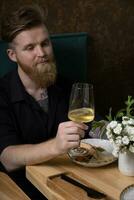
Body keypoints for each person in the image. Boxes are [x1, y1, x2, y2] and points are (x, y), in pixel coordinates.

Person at [0, 4, 88, 199]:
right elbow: (7, 158)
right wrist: (55, 146)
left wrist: (117, 132)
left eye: (45, 43)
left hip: (70, 182)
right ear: (12, 55)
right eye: (30, 47)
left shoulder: (66, 85)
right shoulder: (2, 94)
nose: (42, 53)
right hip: (22, 189)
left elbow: (92, 125)